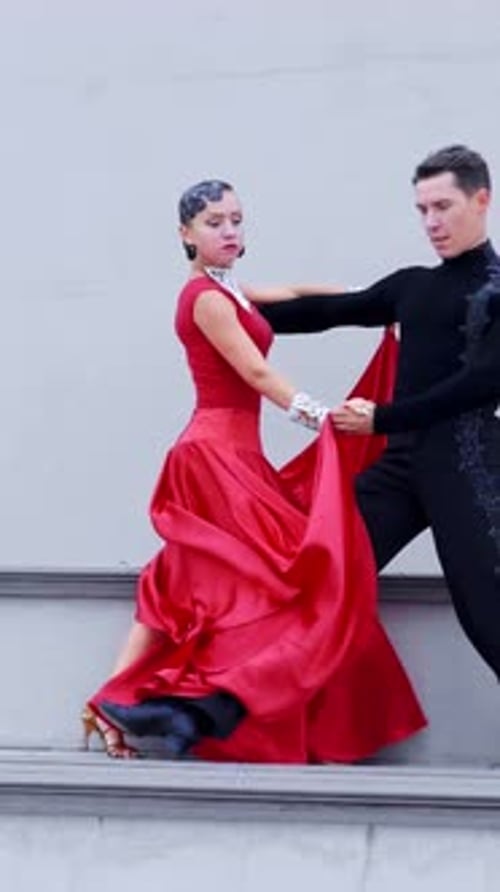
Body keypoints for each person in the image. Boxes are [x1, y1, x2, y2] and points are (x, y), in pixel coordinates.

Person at [81, 179, 425, 763]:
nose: (230, 231)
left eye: (237, 219)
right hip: (213, 454)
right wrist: (320, 417)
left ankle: (107, 704)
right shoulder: (206, 300)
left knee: (178, 579)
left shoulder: (227, 289)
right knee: (258, 578)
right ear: (185, 234)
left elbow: (288, 293)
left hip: (233, 453)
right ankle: (132, 702)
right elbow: (257, 375)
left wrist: (370, 303)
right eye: (215, 222)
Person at [259, 144, 500, 694]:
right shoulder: (414, 285)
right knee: (320, 574)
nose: (432, 222)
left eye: (443, 206)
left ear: (481, 200)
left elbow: (481, 383)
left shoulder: (496, 290)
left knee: (486, 608)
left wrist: (383, 418)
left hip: (468, 465)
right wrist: (231, 311)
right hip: (402, 467)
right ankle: (221, 710)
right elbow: (327, 312)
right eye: (422, 210)